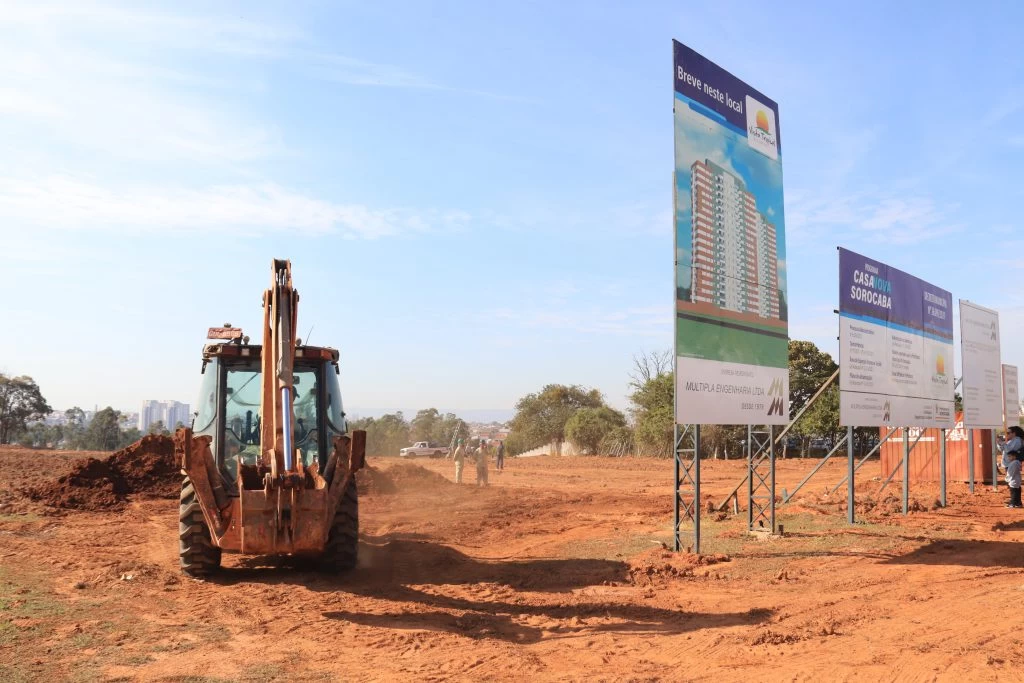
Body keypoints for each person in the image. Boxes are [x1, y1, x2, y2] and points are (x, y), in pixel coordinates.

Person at [997, 426, 1024, 508]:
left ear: (1014, 433)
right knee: (1014, 483)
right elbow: (1002, 449)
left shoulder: (1017, 440)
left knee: (1013, 482)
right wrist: (999, 442)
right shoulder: (1011, 441)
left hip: (1013, 463)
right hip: (1009, 463)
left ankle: (1014, 502)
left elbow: (1008, 450)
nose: (1007, 434)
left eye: (1008, 432)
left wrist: (1002, 443)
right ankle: (1016, 501)